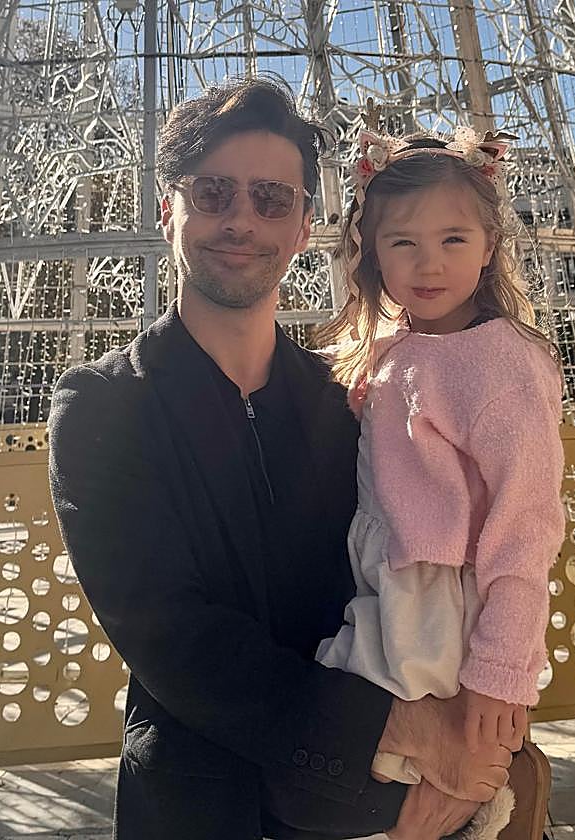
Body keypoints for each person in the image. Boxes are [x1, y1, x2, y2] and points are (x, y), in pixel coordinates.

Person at [47, 78, 519, 840]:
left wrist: (463, 754)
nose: (241, 220)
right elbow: (171, 635)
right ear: (167, 209)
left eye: (271, 199)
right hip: (206, 805)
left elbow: (453, 556)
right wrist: (401, 735)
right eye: (212, 193)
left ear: (304, 226)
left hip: (369, 803)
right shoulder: (103, 405)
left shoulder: (349, 399)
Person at [314, 125, 565, 839]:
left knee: (418, 757)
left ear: (489, 248)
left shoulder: (501, 363)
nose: (430, 263)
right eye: (404, 242)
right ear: (372, 251)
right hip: (391, 591)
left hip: (439, 606)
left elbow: (525, 526)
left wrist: (502, 668)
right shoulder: (399, 347)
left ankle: (491, 806)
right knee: (373, 749)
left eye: (454, 239)